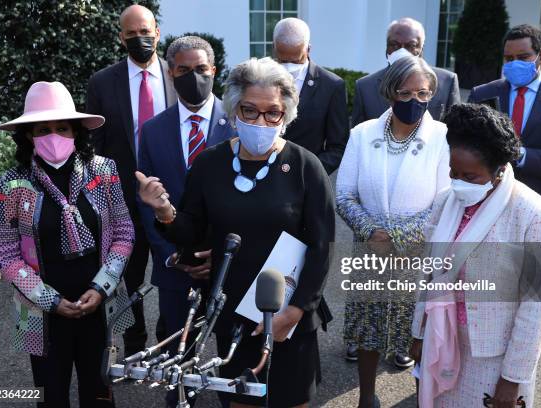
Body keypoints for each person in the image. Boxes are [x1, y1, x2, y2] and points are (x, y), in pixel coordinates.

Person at [137, 57, 335, 408]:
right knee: (241, 401)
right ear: (233, 109)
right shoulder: (210, 164)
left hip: (291, 311)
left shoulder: (306, 166)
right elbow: (192, 231)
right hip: (234, 311)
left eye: (272, 112)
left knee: (293, 400)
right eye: (249, 110)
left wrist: (298, 310)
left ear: (285, 114)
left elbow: (322, 247)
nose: (261, 121)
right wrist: (165, 211)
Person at [0, 81, 135, 407]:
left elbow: (124, 233)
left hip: (100, 307)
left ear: (76, 131)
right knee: (50, 397)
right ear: (28, 135)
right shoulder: (12, 183)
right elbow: (5, 252)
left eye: (62, 127)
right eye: (43, 129)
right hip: (39, 310)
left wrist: (101, 288)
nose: (53, 136)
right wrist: (49, 299)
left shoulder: (103, 170)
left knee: (100, 394)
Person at [410, 103, 541, 408]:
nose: (458, 182)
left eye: (470, 176)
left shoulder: (533, 214)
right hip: (444, 341)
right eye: (453, 172)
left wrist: (512, 378)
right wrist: (419, 333)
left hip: (494, 357)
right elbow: (428, 272)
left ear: (499, 170)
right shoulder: (444, 201)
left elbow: (538, 306)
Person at [336, 56, 450, 408]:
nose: (415, 101)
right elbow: (344, 194)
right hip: (368, 250)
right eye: (406, 93)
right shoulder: (363, 133)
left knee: (418, 332)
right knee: (368, 328)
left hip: (417, 254)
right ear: (390, 93)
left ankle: (422, 398)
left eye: (423, 93)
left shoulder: (442, 137)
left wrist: (397, 238)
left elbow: (444, 203)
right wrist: (372, 233)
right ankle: (366, 397)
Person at [137, 35, 234, 407]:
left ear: (214, 71)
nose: (192, 77)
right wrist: (172, 256)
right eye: (183, 70)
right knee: (179, 348)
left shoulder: (239, 123)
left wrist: (220, 255)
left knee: (229, 348)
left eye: (201, 70)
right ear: (170, 72)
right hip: (174, 266)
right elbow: (146, 200)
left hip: (228, 263)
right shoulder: (153, 130)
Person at [86, 4, 177, 355]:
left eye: (146, 31)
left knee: (174, 273)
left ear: (157, 30)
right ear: (121, 37)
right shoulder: (102, 82)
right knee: (130, 279)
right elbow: (95, 147)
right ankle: (135, 344)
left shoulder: (176, 75)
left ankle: (170, 341)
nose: (141, 38)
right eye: (133, 33)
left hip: (171, 197)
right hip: (122, 199)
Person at [468, 24, 541, 206]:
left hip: (538, 203)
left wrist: (521, 155)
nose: (514, 64)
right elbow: (466, 144)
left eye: (522, 57)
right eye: (508, 58)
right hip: (485, 200)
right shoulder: (483, 94)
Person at [273, 17, 349, 174]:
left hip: (306, 182)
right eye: (283, 59)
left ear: (308, 49)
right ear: (275, 48)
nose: (289, 66)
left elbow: (337, 147)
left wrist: (310, 172)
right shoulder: (258, 78)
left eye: (295, 60)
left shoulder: (331, 86)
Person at [352, 17, 460, 126]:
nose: (402, 51)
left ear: (421, 49)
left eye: (411, 45)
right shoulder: (365, 86)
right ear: (386, 47)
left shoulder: (447, 81)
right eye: (394, 45)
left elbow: (456, 132)